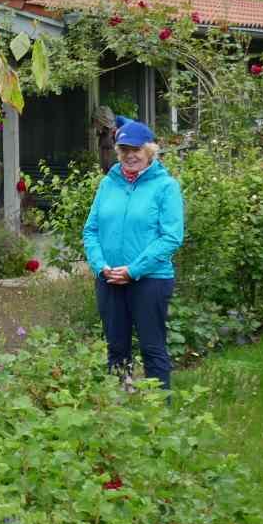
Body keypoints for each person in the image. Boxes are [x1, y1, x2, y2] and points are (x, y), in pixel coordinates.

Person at [82, 119, 186, 389]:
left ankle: (158, 413)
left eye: (136, 149)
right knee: (116, 348)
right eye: (124, 149)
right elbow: (91, 230)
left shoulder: (165, 186)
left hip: (150, 280)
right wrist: (100, 266)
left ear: (149, 151)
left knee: (152, 348)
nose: (130, 155)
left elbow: (171, 237)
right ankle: (121, 409)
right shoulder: (108, 184)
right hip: (109, 278)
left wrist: (133, 270)